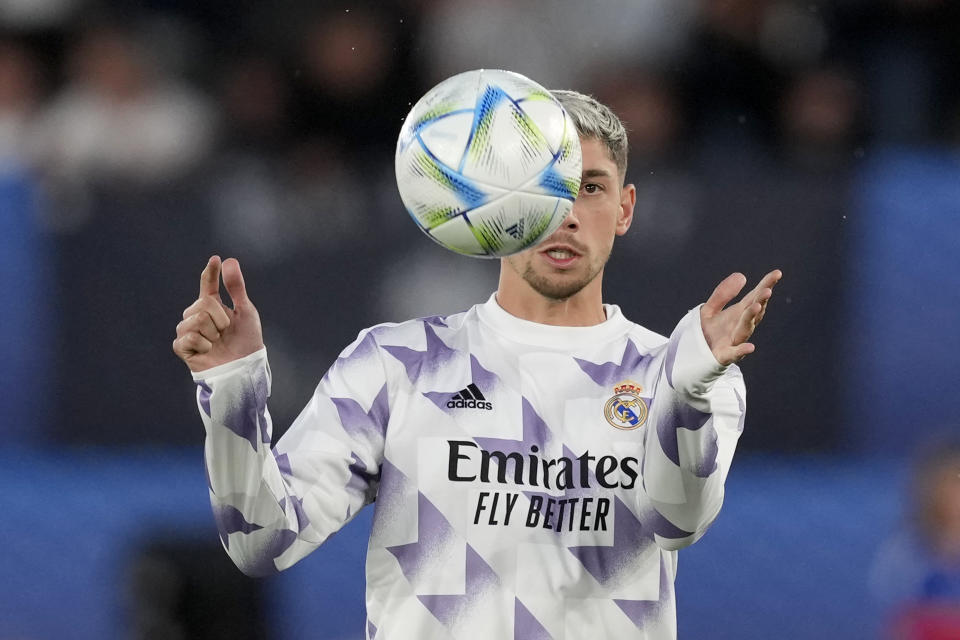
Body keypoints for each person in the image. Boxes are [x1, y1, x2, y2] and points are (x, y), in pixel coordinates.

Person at [173, 90, 781, 639]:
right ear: (493, 202)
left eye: (589, 187)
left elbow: (678, 522)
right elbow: (260, 542)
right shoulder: (396, 363)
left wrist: (687, 390)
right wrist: (233, 390)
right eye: (542, 187)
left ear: (624, 209)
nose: (564, 214)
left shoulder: (680, 372)